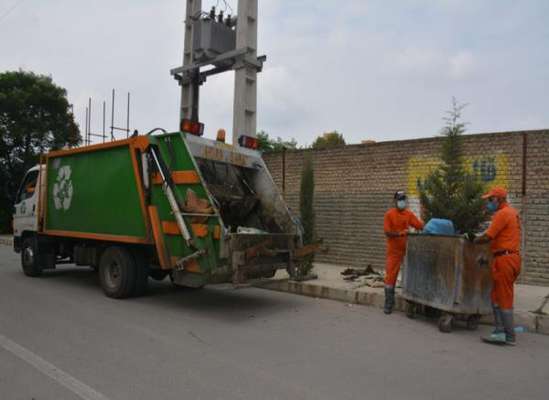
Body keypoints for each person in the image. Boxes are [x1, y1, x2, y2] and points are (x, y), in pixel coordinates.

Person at [474, 186, 521, 345]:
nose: (488, 202)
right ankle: (499, 330)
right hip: (507, 258)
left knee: (504, 298)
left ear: (498, 199)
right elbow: (497, 239)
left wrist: (473, 239)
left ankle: (509, 336)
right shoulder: (511, 212)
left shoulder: (502, 214)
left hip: (505, 260)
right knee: (496, 295)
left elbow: (488, 236)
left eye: (490, 199)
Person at [383, 191, 424, 314]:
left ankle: (411, 303)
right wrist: (400, 233)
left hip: (407, 251)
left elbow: (419, 225)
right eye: (400, 200)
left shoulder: (408, 214)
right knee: (390, 277)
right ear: (395, 201)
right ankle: (389, 303)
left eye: (403, 200)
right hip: (394, 252)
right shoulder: (389, 214)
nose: (402, 202)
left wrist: (426, 224)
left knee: (411, 275)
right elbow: (387, 233)